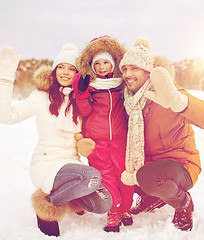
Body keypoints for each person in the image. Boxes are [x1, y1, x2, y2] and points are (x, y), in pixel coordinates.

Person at [0, 44, 112, 237]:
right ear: (55, 69)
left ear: (78, 73)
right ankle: (47, 205)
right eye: (61, 67)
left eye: (71, 68)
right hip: (46, 164)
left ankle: (67, 195)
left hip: (72, 165)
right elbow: (5, 116)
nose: (65, 72)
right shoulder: (42, 96)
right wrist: (5, 79)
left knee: (103, 204)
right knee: (91, 176)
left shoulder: (81, 100)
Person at [119, 37, 204, 231]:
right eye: (124, 69)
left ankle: (183, 203)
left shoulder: (169, 94)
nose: (128, 74)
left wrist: (179, 102)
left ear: (148, 71)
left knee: (147, 176)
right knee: (117, 168)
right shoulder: (129, 102)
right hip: (149, 169)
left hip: (180, 168)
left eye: (134, 68)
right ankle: (153, 197)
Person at [72, 36, 134, 232]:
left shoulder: (121, 85)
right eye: (97, 63)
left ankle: (125, 208)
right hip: (96, 140)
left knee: (123, 174)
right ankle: (114, 211)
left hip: (119, 138)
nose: (101, 67)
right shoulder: (90, 85)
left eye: (105, 62)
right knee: (106, 177)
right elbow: (84, 111)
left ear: (113, 64)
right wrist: (81, 93)